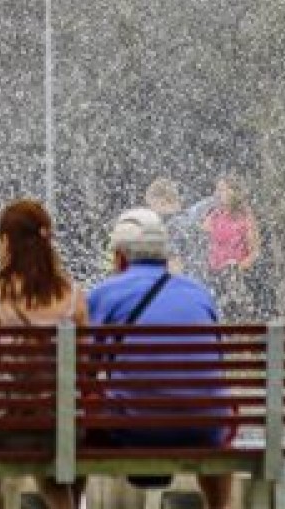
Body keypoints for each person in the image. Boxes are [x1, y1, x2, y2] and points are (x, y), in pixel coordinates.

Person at [87, 208, 233, 509]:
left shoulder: (105, 293)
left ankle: (67, 503)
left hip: (134, 428)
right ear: (166, 259)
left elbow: (82, 371)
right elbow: (215, 362)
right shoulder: (200, 293)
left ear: (120, 258)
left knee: (72, 427)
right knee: (211, 420)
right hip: (202, 429)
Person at [0, 200, 89, 509]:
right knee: (62, 456)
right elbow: (84, 371)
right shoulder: (73, 298)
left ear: (6, 241)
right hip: (59, 430)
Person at [202, 176, 261, 320]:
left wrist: (237, 268)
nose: (217, 193)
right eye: (217, 190)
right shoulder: (214, 214)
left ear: (234, 192)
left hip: (236, 277)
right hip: (214, 276)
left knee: (238, 319)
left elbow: (255, 251)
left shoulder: (245, 217)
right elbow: (201, 240)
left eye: (222, 189)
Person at [144, 178, 214, 279]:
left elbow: (175, 266)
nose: (151, 210)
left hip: (183, 287)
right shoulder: (192, 220)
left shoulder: (171, 227)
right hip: (201, 284)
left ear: (162, 202)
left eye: (152, 205)